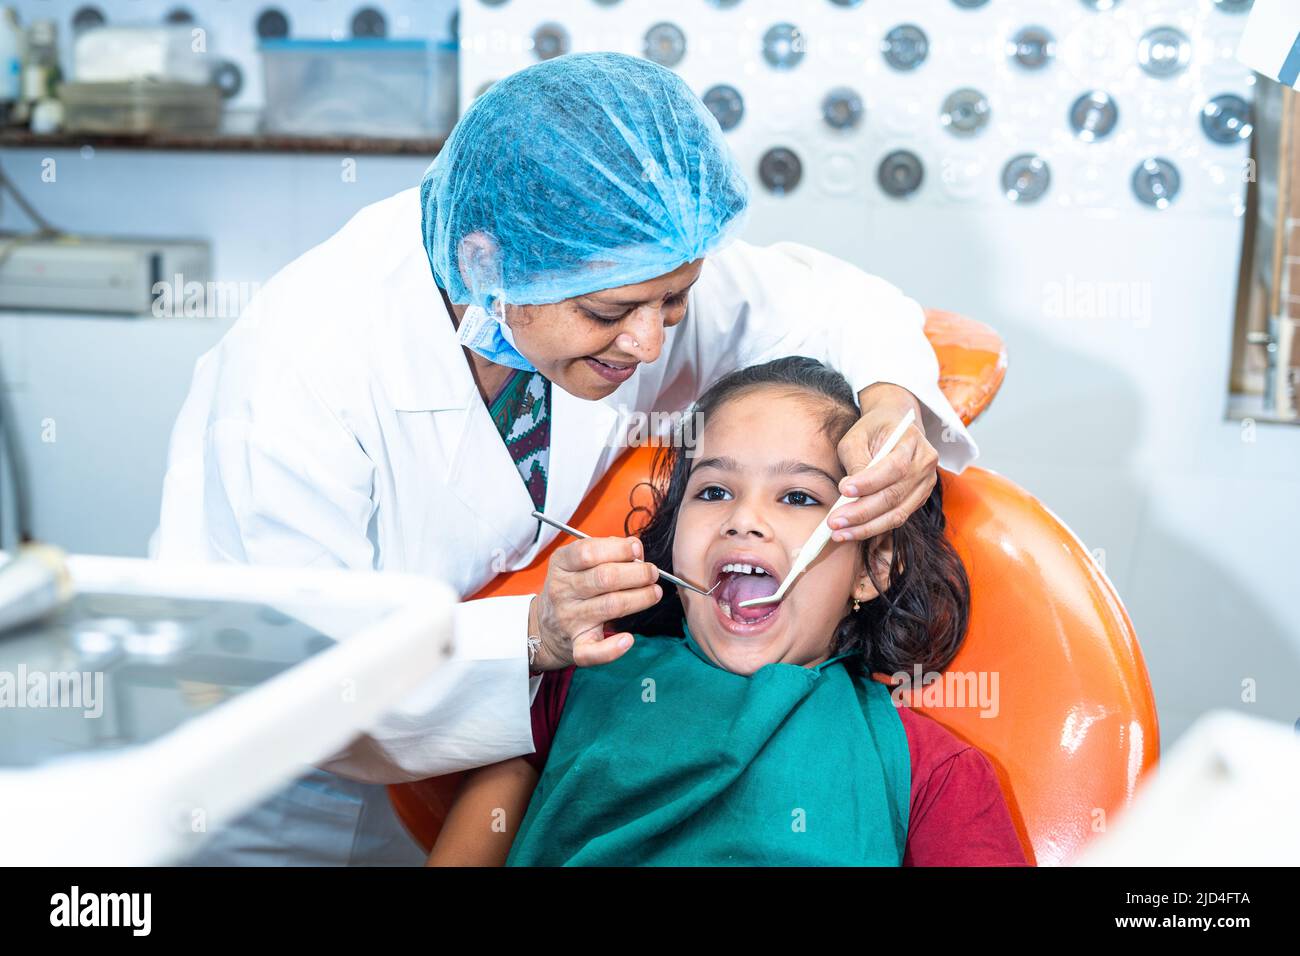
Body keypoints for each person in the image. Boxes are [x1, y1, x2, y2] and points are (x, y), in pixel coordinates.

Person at [156, 52, 978, 865]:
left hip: (456, 763)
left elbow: (836, 306)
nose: (651, 342)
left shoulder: (926, 775)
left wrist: (892, 400)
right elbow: (300, 671)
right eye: (608, 312)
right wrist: (531, 635)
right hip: (280, 795)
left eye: (676, 302)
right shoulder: (303, 367)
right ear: (487, 267)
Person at [427, 357, 1025, 866]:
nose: (742, 518)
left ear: (871, 569)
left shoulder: (934, 773)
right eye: (713, 491)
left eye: (798, 497)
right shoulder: (572, 685)